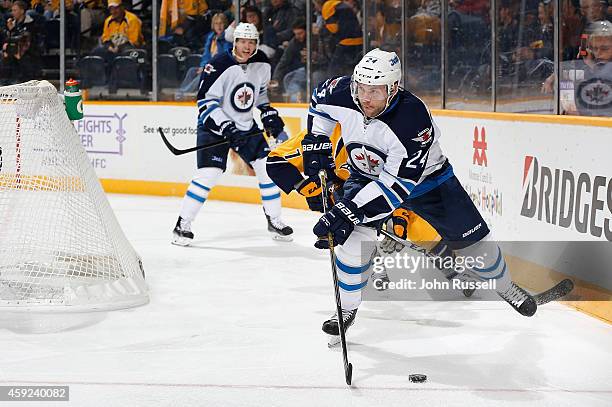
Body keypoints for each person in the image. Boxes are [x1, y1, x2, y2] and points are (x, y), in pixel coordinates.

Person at [304, 48, 539, 337]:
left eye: (375, 91)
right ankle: (346, 308)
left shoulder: (412, 119)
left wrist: (348, 209)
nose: (366, 97)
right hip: (365, 175)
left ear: (393, 89)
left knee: (477, 246)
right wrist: (317, 139)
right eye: (361, 88)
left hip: (429, 183)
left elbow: (396, 188)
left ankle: (505, 286)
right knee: (353, 242)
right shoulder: (340, 91)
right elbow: (319, 105)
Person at [266, 124, 478, 296]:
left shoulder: (391, 133)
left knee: (418, 229)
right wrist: (307, 188)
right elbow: (276, 159)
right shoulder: (325, 135)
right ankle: (374, 263)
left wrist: (401, 216)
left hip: (388, 192)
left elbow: (403, 183)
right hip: (345, 196)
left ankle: (455, 270)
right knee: (351, 233)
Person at [172, 22, 294, 245]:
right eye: (243, 42)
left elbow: (260, 94)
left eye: (252, 42)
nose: (247, 47)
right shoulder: (218, 65)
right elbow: (205, 102)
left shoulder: (262, 63)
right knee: (209, 174)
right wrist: (226, 126)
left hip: (246, 127)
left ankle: (274, 220)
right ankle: (182, 225)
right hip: (214, 128)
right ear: (235, 42)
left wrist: (267, 113)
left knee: (268, 168)